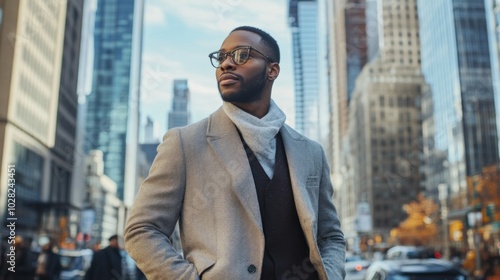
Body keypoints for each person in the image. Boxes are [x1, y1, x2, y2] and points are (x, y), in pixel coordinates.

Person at [124, 26, 346, 279]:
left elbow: (330, 235)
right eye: (221, 57)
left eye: (241, 55)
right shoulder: (185, 143)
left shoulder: (311, 152)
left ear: (272, 70)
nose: (226, 64)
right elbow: (142, 228)